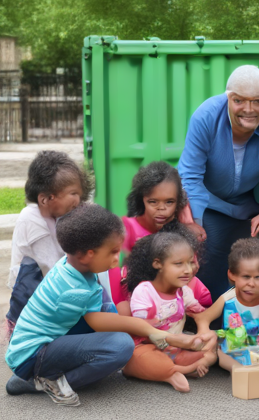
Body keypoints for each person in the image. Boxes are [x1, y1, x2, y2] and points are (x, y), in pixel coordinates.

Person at [5, 204, 209, 406]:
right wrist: (154, 332)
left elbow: (104, 312)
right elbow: (101, 323)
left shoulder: (72, 265)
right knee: (120, 346)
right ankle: (51, 382)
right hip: (32, 354)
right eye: (112, 252)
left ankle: (39, 374)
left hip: (40, 344)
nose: (115, 260)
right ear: (86, 255)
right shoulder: (72, 290)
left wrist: (148, 330)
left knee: (111, 315)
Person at [179, 65, 259, 302]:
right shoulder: (206, 118)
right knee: (208, 256)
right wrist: (193, 222)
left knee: (252, 262)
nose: (249, 110)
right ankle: (208, 319)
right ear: (228, 97)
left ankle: (255, 319)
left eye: (258, 102)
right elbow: (190, 174)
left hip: (246, 204)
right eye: (239, 100)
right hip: (208, 201)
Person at [108, 161, 211, 314]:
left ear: (179, 202)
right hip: (136, 296)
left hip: (175, 293)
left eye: (169, 202)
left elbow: (190, 270)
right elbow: (115, 274)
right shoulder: (128, 228)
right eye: (152, 202)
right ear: (141, 199)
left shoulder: (180, 233)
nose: (161, 209)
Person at [122, 232, 217, 392]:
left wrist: (205, 334)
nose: (187, 270)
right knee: (140, 360)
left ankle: (177, 368)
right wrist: (177, 341)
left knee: (213, 347)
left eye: (190, 263)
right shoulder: (145, 290)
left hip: (175, 351)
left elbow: (201, 314)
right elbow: (144, 333)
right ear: (158, 264)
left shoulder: (183, 292)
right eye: (179, 264)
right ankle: (177, 372)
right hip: (147, 347)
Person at [195, 238, 259, 372]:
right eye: (246, 277)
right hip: (232, 348)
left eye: (258, 277)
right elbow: (202, 318)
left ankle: (256, 370)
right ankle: (241, 371)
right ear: (232, 275)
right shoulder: (228, 298)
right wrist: (204, 334)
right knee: (214, 349)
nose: (251, 284)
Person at [8, 150, 92, 289]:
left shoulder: (60, 214)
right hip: (39, 298)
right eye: (72, 193)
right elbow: (51, 269)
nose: (77, 200)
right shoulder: (32, 218)